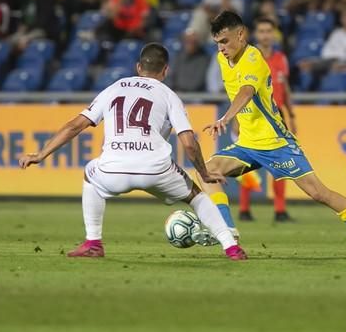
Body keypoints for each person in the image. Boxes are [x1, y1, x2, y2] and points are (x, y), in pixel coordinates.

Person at [17, 43, 246, 261]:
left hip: (112, 169)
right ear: (165, 70)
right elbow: (188, 142)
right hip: (155, 169)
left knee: (90, 174)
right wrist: (204, 173)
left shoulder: (114, 88)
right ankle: (232, 247)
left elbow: (75, 125)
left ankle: (93, 243)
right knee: (196, 196)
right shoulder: (168, 95)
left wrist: (41, 154)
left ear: (138, 68)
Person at [196, 10, 346, 257]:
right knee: (206, 171)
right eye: (217, 43)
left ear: (241, 34)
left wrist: (225, 118)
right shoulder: (222, 58)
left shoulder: (253, 58)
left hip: (276, 143)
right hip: (248, 143)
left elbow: (246, 91)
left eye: (225, 41)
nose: (222, 48)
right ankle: (228, 231)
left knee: (319, 193)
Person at [238, 17, 296, 222]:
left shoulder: (281, 58)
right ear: (256, 34)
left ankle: (280, 210)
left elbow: (285, 88)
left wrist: (291, 114)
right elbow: (239, 91)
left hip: (277, 117)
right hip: (254, 117)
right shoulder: (248, 58)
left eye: (268, 31)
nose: (265, 35)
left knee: (282, 163)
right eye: (261, 31)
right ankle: (244, 209)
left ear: (273, 34)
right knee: (248, 165)